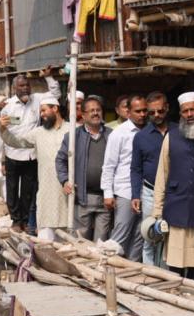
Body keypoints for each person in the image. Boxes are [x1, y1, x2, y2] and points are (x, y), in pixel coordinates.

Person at [152, 92, 194, 283]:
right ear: (180, 113)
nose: (189, 114)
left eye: (193, 109)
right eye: (185, 111)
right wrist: (157, 211)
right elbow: (162, 174)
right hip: (176, 207)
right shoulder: (171, 136)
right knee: (174, 264)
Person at [0, 94, 69, 240]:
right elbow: (16, 142)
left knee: (68, 238)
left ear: (55, 108)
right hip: (46, 194)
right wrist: (3, 129)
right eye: (40, 112)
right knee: (46, 241)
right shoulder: (38, 133)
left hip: (67, 192)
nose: (41, 115)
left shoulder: (72, 130)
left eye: (44, 110)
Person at [56, 95, 112, 241]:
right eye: (91, 110)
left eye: (98, 110)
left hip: (105, 198)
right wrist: (64, 180)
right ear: (83, 114)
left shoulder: (111, 135)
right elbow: (60, 160)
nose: (95, 113)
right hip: (82, 197)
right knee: (81, 239)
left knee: (102, 241)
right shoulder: (73, 136)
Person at [101, 95, 148, 261]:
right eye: (138, 111)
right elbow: (109, 165)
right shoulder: (119, 133)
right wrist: (108, 193)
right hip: (125, 191)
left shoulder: (149, 131)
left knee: (140, 235)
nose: (142, 114)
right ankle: (107, 268)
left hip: (146, 191)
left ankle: (132, 270)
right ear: (128, 112)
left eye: (144, 111)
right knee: (120, 236)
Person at [131, 91, 171, 266]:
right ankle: (150, 274)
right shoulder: (141, 137)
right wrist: (135, 195)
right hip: (149, 192)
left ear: (167, 108)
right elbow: (136, 168)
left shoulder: (177, 132)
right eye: (152, 112)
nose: (156, 115)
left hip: (173, 193)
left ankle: (167, 273)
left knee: (170, 235)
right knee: (149, 235)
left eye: (160, 111)